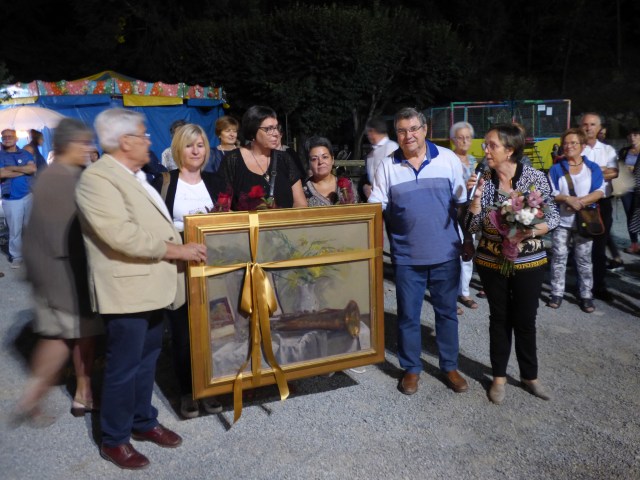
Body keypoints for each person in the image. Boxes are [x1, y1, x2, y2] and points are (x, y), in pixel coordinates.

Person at [75, 108, 207, 470]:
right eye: (144, 134)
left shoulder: (133, 175)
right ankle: (114, 438)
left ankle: (142, 420)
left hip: (150, 286)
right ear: (125, 141)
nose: (149, 141)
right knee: (123, 367)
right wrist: (177, 250)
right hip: (127, 291)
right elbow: (120, 235)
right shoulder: (97, 179)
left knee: (146, 360)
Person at [369, 107, 472, 396]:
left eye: (414, 129)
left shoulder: (448, 159)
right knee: (408, 316)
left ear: (425, 130)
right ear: (396, 134)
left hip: (445, 254)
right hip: (407, 257)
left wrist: (466, 239)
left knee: (447, 314)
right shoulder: (387, 166)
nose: (408, 135)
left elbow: (462, 204)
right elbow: (375, 209)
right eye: (402, 131)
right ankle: (411, 368)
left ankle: (449, 366)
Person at [15, 119, 104, 426]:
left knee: (66, 338)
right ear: (68, 144)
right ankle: (74, 394)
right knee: (72, 338)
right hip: (66, 276)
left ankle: (60, 395)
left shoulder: (55, 175)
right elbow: (68, 233)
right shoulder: (64, 178)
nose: (89, 148)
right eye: (84, 142)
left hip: (56, 275)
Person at [466, 124, 559, 405]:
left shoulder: (534, 177)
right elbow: (471, 227)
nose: (485, 150)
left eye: (491, 145)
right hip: (491, 261)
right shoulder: (483, 179)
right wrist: (475, 201)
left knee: (526, 319)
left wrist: (529, 232)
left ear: (510, 150)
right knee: (499, 318)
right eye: (485, 144)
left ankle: (530, 376)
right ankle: (498, 377)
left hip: (529, 261)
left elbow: (553, 216)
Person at [151, 123, 223, 418]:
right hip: (178, 267)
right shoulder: (164, 182)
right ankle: (187, 391)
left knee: (214, 328)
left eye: (201, 145)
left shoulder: (215, 181)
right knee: (182, 333)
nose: (196, 151)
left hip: (211, 265)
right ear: (178, 149)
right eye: (190, 145)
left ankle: (210, 386)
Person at [547, 128, 604, 313]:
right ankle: (556, 292)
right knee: (558, 257)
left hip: (585, 222)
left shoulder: (592, 168)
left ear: (582, 146)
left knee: (584, 259)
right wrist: (567, 199)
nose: (569, 146)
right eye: (565, 143)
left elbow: (599, 191)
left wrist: (577, 203)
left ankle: (586, 294)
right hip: (561, 223)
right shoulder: (556, 169)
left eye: (573, 143)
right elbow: (551, 193)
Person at [217, 105, 307, 210]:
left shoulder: (285, 159)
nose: (276, 133)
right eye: (269, 129)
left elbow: (301, 204)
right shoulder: (233, 160)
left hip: (285, 220)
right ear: (252, 131)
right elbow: (223, 206)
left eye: (276, 128)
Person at [580, 113, 618, 302]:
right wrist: (600, 170)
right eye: (585, 124)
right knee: (581, 246)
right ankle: (583, 285)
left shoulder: (608, 150)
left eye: (593, 124)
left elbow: (614, 173)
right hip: (582, 202)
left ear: (599, 127)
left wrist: (588, 171)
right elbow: (573, 171)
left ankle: (599, 285)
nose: (588, 128)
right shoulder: (576, 148)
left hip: (602, 203)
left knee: (599, 247)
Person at [450, 121, 480, 311]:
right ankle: (451, 295)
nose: (464, 141)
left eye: (468, 137)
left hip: (470, 212)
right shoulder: (448, 160)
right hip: (453, 212)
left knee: (468, 251)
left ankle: (465, 292)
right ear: (453, 139)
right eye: (460, 137)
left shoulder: (474, 161)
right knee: (453, 253)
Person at [0, 128, 36, 268]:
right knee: (15, 230)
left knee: (30, 227)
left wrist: (11, 168)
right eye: (4, 137)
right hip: (11, 199)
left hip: (28, 195)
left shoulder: (25, 153)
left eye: (10, 136)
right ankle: (16, 256)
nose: (7, 139)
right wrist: (23, 170)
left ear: (16, 139)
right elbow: (2, 174)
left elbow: (32, 169)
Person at [303, 136, 358, 206]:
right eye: (314, 159)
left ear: (332, 159)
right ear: (309, 163)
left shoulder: (347, 183)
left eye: (325, 157)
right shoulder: (303, 190)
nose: (320, 162)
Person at [361, 117, 398, 200]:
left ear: (373, 131)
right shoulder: (371, 153)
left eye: (368, 132)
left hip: (389, 199)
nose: (368, 136)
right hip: (375, 199)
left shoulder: (391, 147)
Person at [618, 128, 640, 254]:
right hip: (626, 189)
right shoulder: (624, 151)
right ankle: (634, 243)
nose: (632, 138)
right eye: (630, 135)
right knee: (630, 216)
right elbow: (618, 167)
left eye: (635, 135)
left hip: (639, 189)